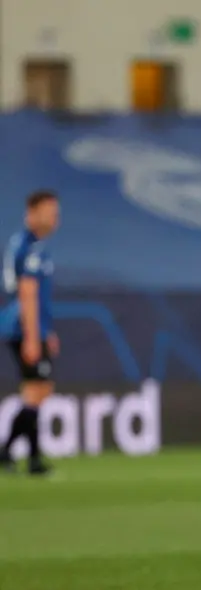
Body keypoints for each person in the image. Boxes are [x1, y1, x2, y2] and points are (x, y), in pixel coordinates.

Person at [0, 191, 61, 476]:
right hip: (22, 328)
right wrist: (33, 337)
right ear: (32, 213)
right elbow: (27, 292)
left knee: (36, 391)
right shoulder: (32, 249)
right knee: (38, 390)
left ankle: (24, 456)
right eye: (50, 211)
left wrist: (46, 332)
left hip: (25, 327)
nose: (55, 217)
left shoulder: (26, 244)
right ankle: (16, 454)